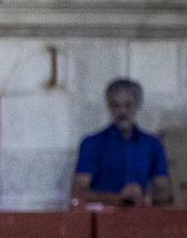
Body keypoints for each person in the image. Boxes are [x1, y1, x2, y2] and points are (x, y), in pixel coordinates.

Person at [71, 79, 172, 208]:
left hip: (142, 218)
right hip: (103, 220)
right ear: (108, 106)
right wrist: (119, 197)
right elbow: (78, 193)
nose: (122, 112)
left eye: (128, 105)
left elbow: (165, 190)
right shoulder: (91, 144)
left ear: (137, 105)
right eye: (115, 105)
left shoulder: (153, 144)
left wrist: (146, 195)